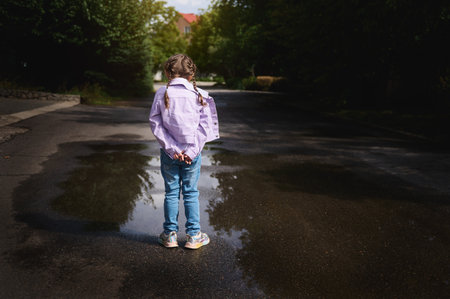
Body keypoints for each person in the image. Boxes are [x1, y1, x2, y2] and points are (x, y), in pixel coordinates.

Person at [149, 54, 219, 249]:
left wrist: (172, 149)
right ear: (192, 73)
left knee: (171, 192)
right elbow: (204, 127)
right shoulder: (199, 95)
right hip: (192, 154)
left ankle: (170, 236)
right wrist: (191, 151)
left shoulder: (162, 92)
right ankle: (193, 236)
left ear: (167, 73)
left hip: (169, 154)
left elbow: (156, 124)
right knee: (190, 193)